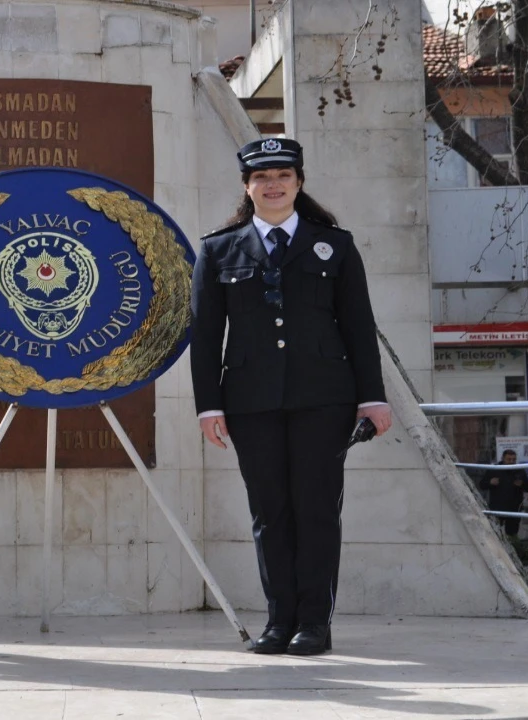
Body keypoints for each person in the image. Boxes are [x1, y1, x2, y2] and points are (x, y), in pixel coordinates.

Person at [189, 138, 393, 656]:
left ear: (299, 182)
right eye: (261, 177)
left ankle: (314, 624)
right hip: (250, 401)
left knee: (316, 510)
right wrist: (209, 405)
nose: (273, 184)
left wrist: (372, 398)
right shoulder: (218, 249)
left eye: (283, 175)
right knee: (270, 513)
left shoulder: (335, 245)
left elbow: (359, 326)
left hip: (324, 399)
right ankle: (279, 621)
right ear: (246, 187)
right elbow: (206, 335)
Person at [486, 449, 528, 536]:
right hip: (497, 508)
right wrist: (490, 482)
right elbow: (482, 485)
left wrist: (522, 484)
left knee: (512, 534)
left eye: (513, 459)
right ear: (503, 458)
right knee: (495, 533)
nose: (511, 462)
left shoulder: (519, 470)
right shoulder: (494, 469)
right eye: (509, 459)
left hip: (514, 508)